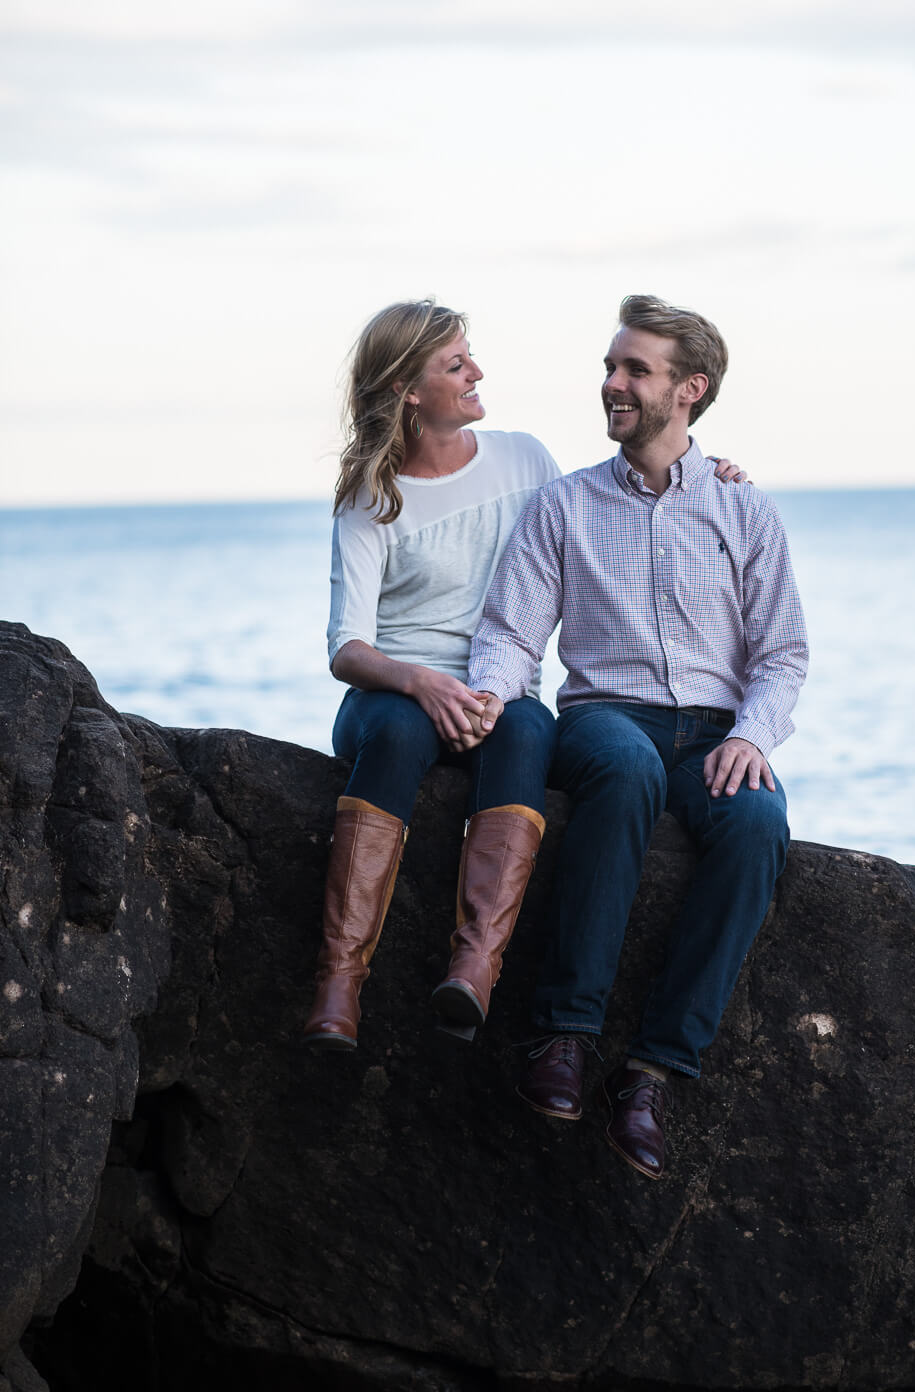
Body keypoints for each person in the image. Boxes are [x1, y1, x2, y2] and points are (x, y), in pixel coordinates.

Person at [302, 295, 751, 1052]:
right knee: (401, 737)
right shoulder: (372, 497)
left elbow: (615, 493)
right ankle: (339, 985)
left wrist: (711, 475)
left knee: (529, 732)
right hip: (393, 692)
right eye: (456, 363)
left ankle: (475, 965)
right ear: (411, 391)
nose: (477, 370)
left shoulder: (523, 461)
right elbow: (346, 648)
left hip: (496, 690)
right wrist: (420, 682)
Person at [464, 293, 808, 1178]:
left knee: (760, 824)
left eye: (634, 371)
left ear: (688, 390)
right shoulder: (563, 506)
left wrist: (755, 738)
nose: (612, 384)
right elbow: (509, 634)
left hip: (713, 737)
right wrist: (488, 703)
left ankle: (652, 1073)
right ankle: (564, 1037)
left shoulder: (744, 510)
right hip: (604, 720)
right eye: (611, 367)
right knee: (621, 770)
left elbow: (783, 654)